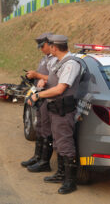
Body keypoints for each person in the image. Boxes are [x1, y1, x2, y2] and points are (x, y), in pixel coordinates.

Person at [28, 34, 81, 194]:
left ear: (54, 47)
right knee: (58, 143)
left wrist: (38, 95)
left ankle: (70, 182)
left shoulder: (71, 64)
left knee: (65, 144)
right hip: (55, 108)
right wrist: (44, 82)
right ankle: (60, 174)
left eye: (50, 46)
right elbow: (54, 81)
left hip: (63, 110)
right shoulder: (59, 62)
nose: (48, 49)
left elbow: (60, 89)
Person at [21, 32, 55, 173]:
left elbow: (54, 78)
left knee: (46, 130)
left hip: (49, 98)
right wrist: (33, 77)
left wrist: (37, 75)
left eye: (43, 46)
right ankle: (37, 157)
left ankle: (44, 162)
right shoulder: (45, 58)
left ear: (50, 44)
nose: (41, 49)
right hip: (40, 97)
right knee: (39, 127)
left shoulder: (55, 60)